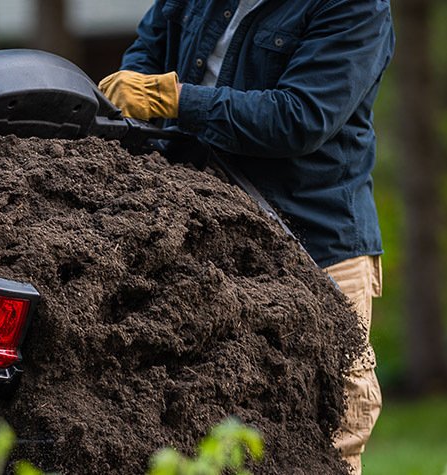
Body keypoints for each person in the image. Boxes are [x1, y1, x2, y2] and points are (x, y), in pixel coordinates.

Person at [97, 1, 393, 473]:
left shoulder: (355, 7)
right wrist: (135, 94)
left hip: (315, 248)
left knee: (328, 436)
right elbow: (146, 53)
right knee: (209, 431)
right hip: (208, 241)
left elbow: (300, 117)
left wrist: (177, 102)